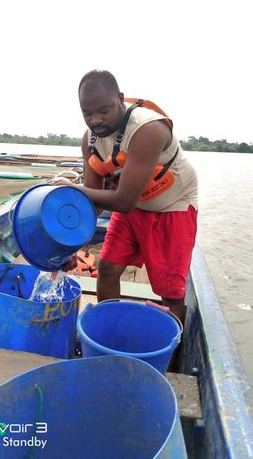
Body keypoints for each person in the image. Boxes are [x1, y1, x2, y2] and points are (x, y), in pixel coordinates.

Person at [66, 70, 198, 324]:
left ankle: (169, 350)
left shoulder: (148, 129)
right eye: (87, 113)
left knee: (170, 291)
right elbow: (91, 205)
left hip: (172, 207)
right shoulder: (90, 141)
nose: (95, 120)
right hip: (134, 206)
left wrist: (71, 189)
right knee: (106, 269)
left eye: (103, 110)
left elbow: (122, 202)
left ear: (121, 99)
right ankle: (107, 327)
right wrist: (70, 245)